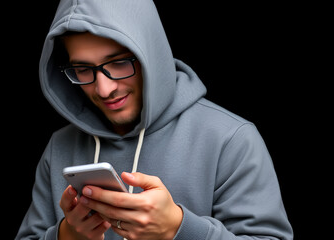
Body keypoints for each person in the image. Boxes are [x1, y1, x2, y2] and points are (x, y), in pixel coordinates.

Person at [15, 1, 293, 239]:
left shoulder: (232, 139)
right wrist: (66, 236)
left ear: (151, 55)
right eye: (83, 69)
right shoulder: (59, 146)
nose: (103, 89)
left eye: (119, 62)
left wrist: (178, 229)